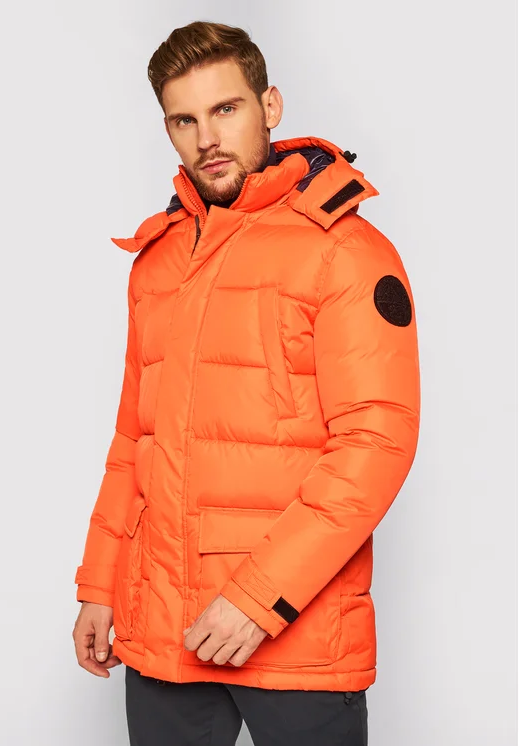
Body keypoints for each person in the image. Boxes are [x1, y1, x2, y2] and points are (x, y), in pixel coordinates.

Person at [72, 20, 420, 746]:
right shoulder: (159, 262)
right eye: (185, 120)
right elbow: (133, 441)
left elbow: (375, 444)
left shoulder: (346, 250)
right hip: (164, 631)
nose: (208, 139)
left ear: (271, 106)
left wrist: (260, 599)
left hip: (297, 637)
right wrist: (101, 584)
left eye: (226, 109)